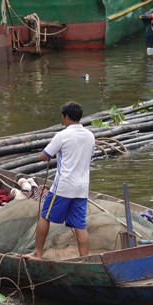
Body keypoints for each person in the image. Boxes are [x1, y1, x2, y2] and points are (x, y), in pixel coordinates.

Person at [24, 101, 95, 259]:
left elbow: (43, 156)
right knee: (79, 225)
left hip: (64, 186)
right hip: (82, 188)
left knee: (45, 216)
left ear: (66, 117)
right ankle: (85, 258)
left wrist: (55, 153)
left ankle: (37, 253)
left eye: (63, 117)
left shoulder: (63, 135)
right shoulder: (90, 136)